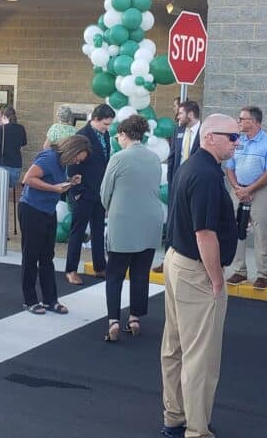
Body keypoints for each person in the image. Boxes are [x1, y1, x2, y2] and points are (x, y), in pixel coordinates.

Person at [160, 113, 240, 438]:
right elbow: (204, 232)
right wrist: (217, 278)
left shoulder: (191, 166)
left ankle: (175, 417)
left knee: (175, 347)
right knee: (201, 357)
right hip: (195, 270)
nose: (236, 143)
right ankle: (197, 429)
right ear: (210, 137)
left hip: (178, 261)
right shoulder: (206, 174)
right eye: (232, 137)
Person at [99, 115, 162, 342]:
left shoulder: (118, 158)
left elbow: (105, 192)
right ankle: (135, 317)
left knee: (115, 273)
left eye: (118, 136)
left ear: (124, 135)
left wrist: (110, 207)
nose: (118, 140)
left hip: (123, 221)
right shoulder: (154, 158)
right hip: (151, 220)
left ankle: (113, 321)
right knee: (140, 273)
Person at [18, 134, 90, 315]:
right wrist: (54, 188)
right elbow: (28, 179)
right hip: (32, 209)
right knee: (31, 255)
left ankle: (50, 300)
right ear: (72, 150)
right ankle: (30, 300)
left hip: (48, 210)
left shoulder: (61, 162)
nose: (76, 162)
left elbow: (53, 182)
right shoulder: (49, 158)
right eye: (77, 158)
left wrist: (69, 183)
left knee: (47, 257)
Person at [224, 106, 267, 289]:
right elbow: (230, 168)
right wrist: (238, 188)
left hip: (261, 191)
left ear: (255, 121)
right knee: (235, 229)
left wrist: (250, 189)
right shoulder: (237, 141)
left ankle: (263, 274)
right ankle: (239, 271)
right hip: (238, 190)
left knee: (261, 231)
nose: (239, 121)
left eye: (242, 119)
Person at [65, 104, 115, 285]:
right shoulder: (81, 135)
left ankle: (100, 267)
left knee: (98, 230)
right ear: (95, 119)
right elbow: (72, 164)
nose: (107, 128)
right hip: (83, 191)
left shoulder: (105, 135)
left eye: (109, 124)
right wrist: (76, 192)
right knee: (78, 232)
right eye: (105, 124)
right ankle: (71, 269)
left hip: (99, 191)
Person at [155, 100, 202, 275]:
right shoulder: (178, 131)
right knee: (173, 222)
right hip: (177, 184)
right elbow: (173, 157)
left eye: (181, 113)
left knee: (193, 223)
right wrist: (172, 181)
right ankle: (168, 260)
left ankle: (191, 260)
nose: (177, 116)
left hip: (196, 186)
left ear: (190, 114)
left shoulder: (205, 132)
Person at [0, 106, 27, 191]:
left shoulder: (0, 129)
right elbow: (22, 147)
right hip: (16, 166)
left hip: (0, 165)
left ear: (4, 116)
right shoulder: (21, 128)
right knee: (7, 191)